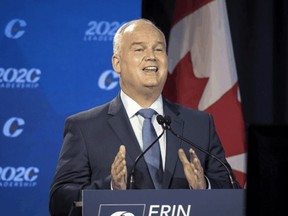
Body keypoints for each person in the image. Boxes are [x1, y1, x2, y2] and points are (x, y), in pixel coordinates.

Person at [49, 18, 240, 216]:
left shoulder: (199, 125)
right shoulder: (84, 127)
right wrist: (110, 188)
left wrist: (204, 187)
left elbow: (233, 193)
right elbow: (60, 201)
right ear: (117, 63)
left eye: (158, 50)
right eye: (139, 49)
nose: (151, 57)